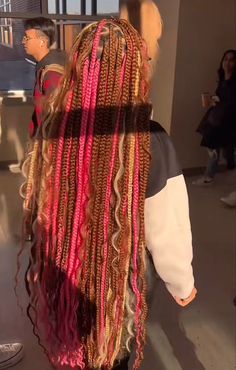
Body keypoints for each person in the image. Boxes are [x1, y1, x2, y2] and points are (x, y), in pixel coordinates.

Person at [20, 18, 196, 370]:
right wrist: (182, 282)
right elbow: (166, 227)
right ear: (133, 69)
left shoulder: (55, 126)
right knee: (112, 352)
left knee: (74, 349)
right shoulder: (150, 139)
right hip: (117, 285)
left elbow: (40, 204)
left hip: (65, 272)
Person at [193, 49, 236, 186]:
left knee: (216, 145)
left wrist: (219, 100)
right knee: (212, 144)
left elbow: (232, 101)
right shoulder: (223, 79)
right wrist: (213, 100)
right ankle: (210, 174)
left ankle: (210, 175)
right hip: (218, 116)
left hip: (228, 119)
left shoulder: (234, 82)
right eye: (225, 59)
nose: (227, 62)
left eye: (231, 60)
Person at [22, 17, 66, 138]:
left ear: (42, 42)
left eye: (27, 38)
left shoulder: (52, 74)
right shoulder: (43, 66)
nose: (23, 41)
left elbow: (55, 117)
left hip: (49, 144)